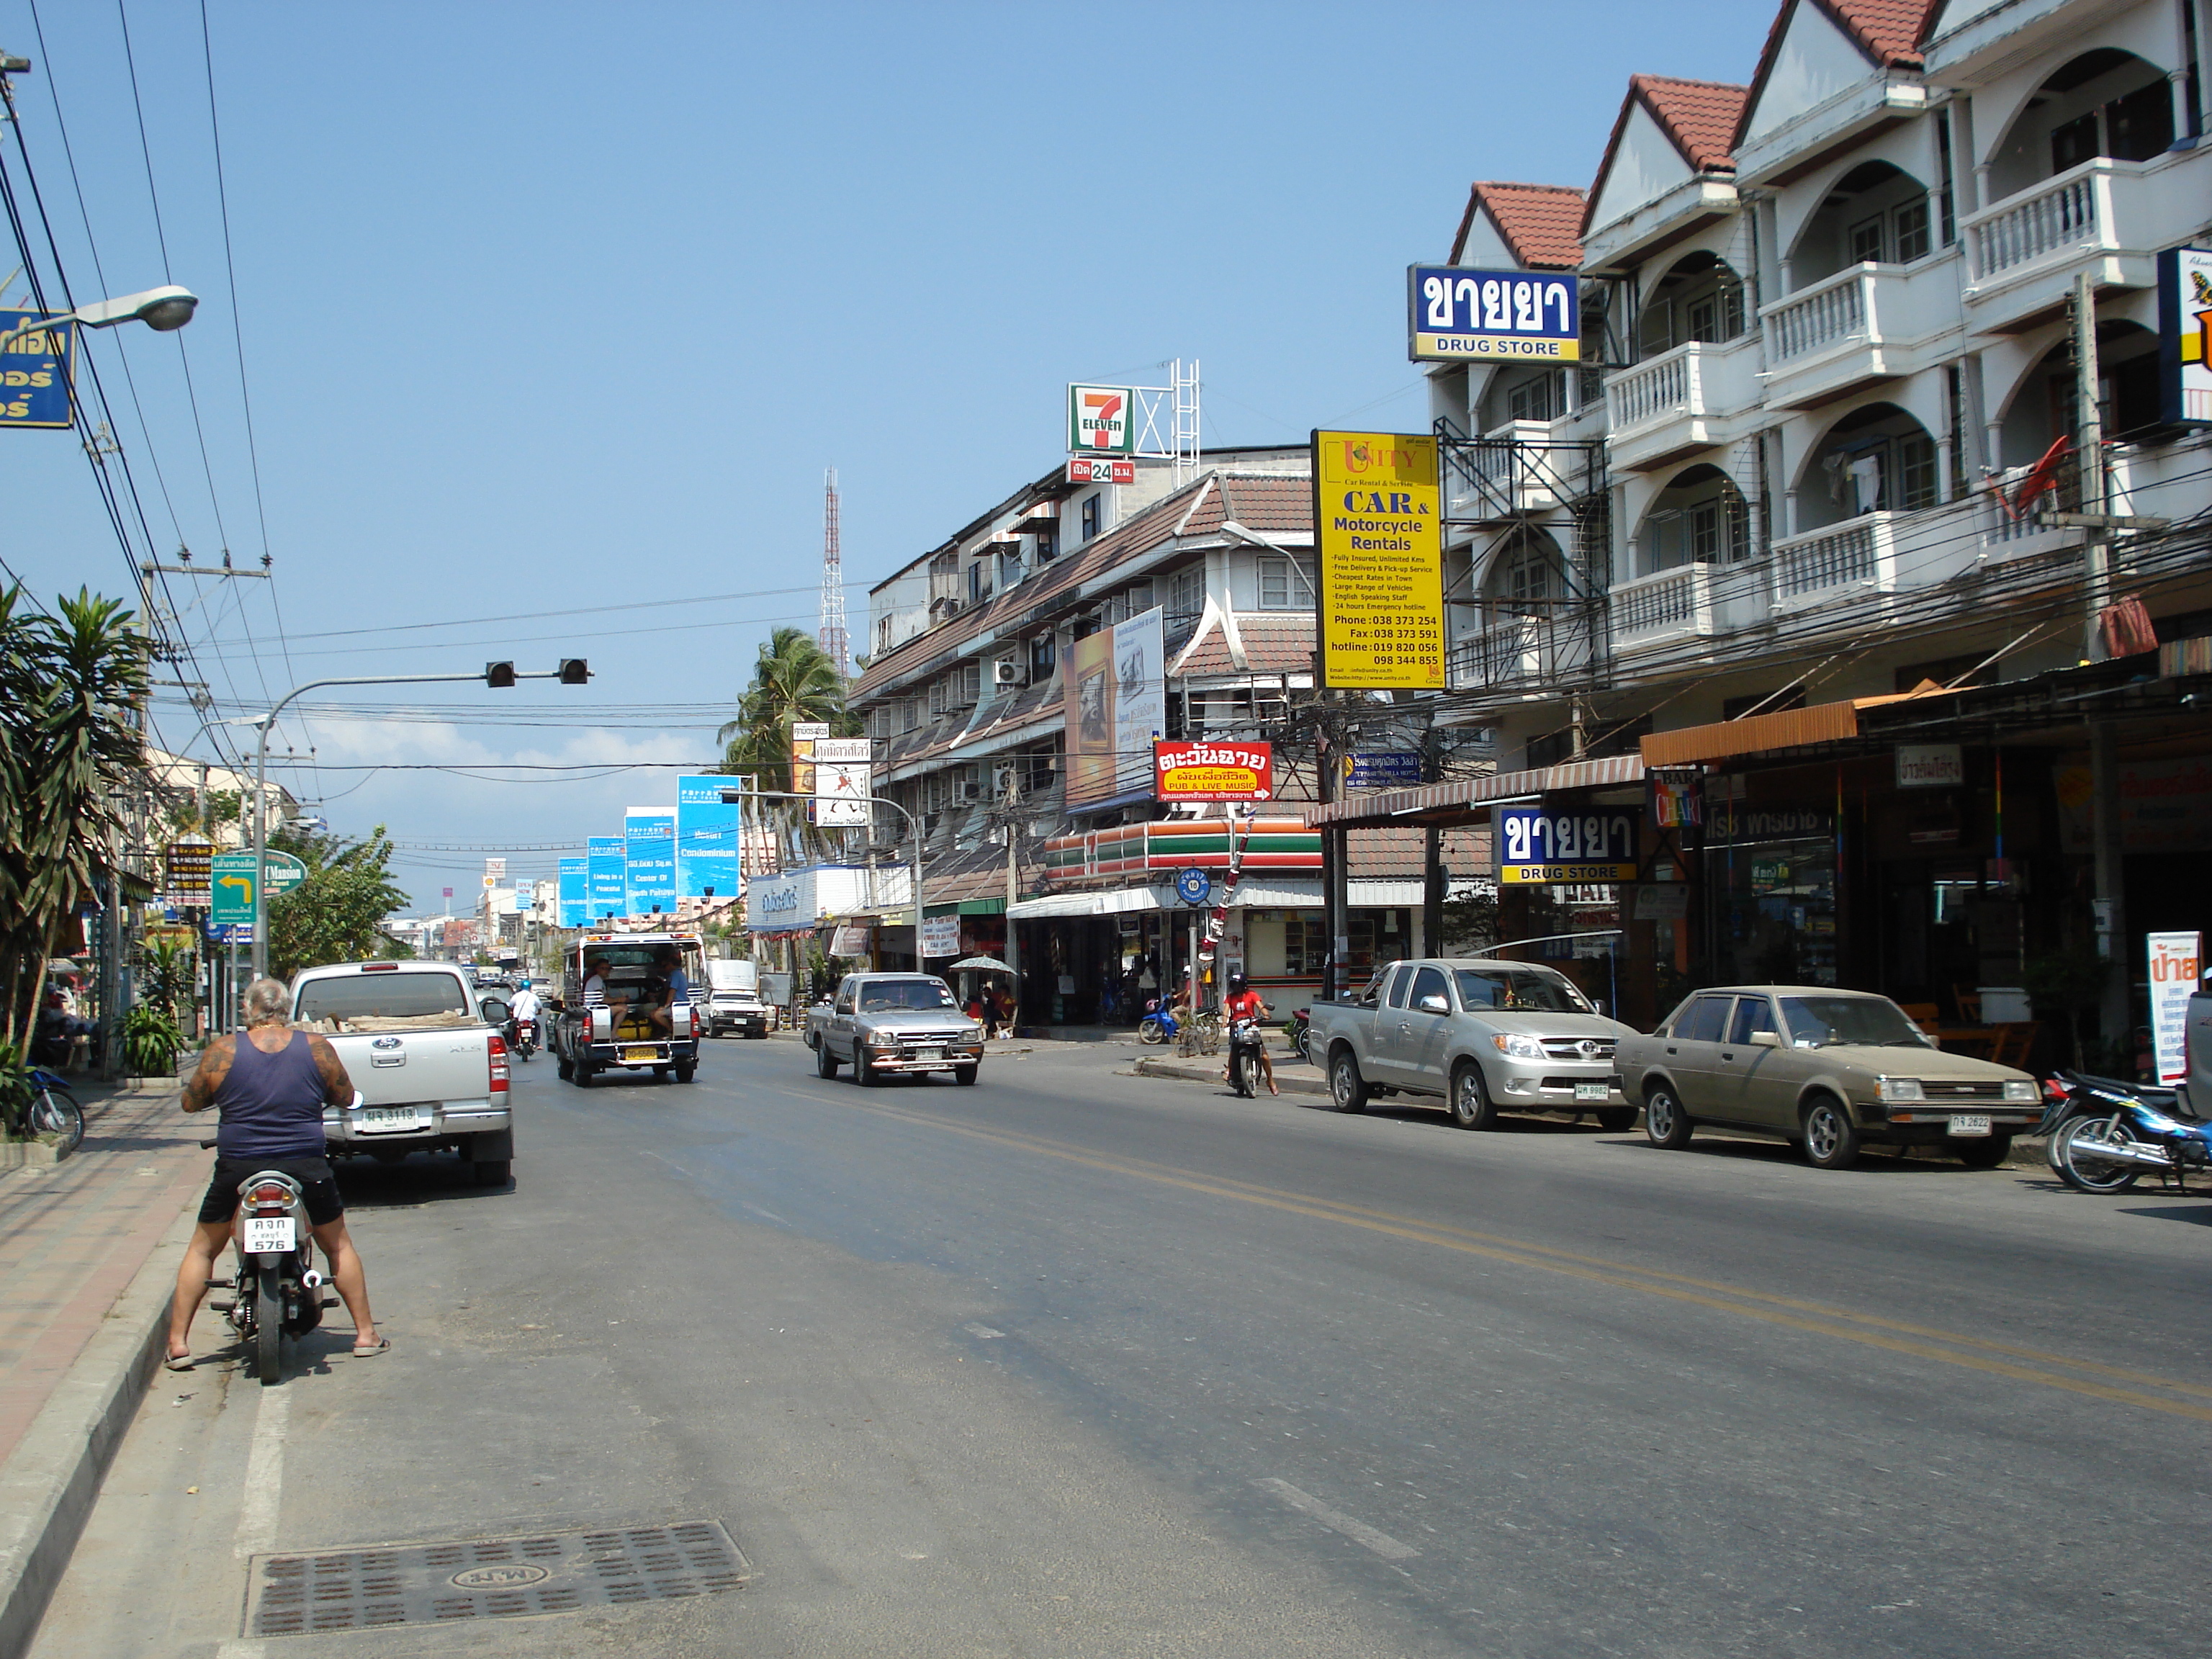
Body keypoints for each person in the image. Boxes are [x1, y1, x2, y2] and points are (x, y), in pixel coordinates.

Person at [166, 978, 384, 1370]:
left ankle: (179, 1343)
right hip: (305, 1163)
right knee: (337, 1246)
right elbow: (347, 1097)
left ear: (248, 1011)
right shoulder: (317, 1048)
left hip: (239, 1166)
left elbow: (190, 1102)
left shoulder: (223, 1051)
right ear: (287, 1010)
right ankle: (366, 1334)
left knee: (203, 1248)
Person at [1220, 971, 1277, 1096]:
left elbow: (1260, 1007)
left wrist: (1266, 1014)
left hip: (1251, 1028)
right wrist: (1225, 1022)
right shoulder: (1230, 997)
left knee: (1264, 1056)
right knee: (1233, 1050)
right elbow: (1226, 1010)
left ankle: (1270, 1080)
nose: (1236, 988)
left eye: (1238, 985)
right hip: (1237, 1028)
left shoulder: (1252, 995)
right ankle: (1230, 1070)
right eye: (1234, 985)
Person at [646, 943, 691, 1035]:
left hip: (678, 1005)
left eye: (666, 966)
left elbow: (672, 990)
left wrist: (666, 1005)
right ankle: (661, 1033)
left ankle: (671, 1030)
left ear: (670, 965)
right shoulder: (677, 975)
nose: (665, 968)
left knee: (657, 1015)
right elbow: (667, 990)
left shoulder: (676, 974)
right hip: (675, 1005)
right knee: (652, 1014)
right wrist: (656, 995)